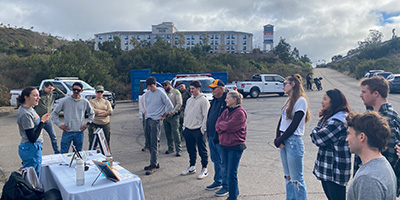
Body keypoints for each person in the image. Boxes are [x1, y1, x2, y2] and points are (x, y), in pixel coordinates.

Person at [358, 76, 400, 195]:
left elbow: (390, 155)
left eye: (364, 92)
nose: (361, 95)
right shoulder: (373, 114)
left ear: (376, 93)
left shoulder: (387, 118)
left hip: (375, 184)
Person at [274, 74, 311, 200]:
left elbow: (295, 124)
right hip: (284, 139)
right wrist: (277, 137)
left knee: (296, 179)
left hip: (293, 141)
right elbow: (282, 119)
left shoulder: (300, 101)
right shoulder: (289, 99)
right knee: (288, 176)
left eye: (285, 83)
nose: (283, 86)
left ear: (293, 84)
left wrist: (280, 138)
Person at [310, 89, 351, 200]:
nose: (322, 102)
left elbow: (318, 138)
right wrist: (318, 130)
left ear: (334, 101)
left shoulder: (338, 120)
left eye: (325, 99)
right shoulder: (330, 117)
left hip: (334, 171)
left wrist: (316, 130)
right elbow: (318, 132)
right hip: (328, 169)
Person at [346, 111, 396, 200]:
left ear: (362, 137)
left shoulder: (368, 178)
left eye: (349, 133)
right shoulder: (382, 163)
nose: (347, 139)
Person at [215, 91, 247, 200]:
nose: (225, 100)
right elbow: (217, 124)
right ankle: (235, 193)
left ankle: (232, 197)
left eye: (227, 98)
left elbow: (230, 127)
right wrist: (223, 126)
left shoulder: (240, 113)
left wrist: (223, 126)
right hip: (224, 145)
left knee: (231, 173)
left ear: (234, 99)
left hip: (235, 147)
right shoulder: (226, 111)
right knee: (226, 170)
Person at [17, 87, 51, 176]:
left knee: (35, 175)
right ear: (26, 97)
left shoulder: (30, 109)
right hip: (31, 148)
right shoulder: (25, 114)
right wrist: (42, 122)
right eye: (35, 95)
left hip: (34, 147)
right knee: (32, 177)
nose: (38, 98)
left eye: (38, 96)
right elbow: (32, 138)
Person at [52, 82, 94, 153]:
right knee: (63, 153)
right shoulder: (65, 101)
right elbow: (54, 113)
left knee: (78, 154)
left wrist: (87, 124)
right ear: (71, 89)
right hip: (67, 132)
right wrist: (59, 125)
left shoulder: (85, 102)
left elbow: (92, 113)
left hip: (79, 132)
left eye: (78, 90)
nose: (76, 91)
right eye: (74, 89)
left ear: (81, 91)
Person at [143, 77, 173, 175]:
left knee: (154, 142)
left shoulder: (160, 93)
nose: (150, 88)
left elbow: (170, 106)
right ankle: (155, 161)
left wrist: (164, 114)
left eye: (152, 86)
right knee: (149, 142)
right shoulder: (147, 94)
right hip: (148, 118)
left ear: (155, 84)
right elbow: (148, 105)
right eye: (149, 87)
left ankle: (153, 164)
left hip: (156, 120)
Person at [181, 80, 210, 179]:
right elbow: (186, 114)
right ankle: (192, 166)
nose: (191, 90)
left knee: (202, 150)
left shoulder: (203, 100)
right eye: (190, 89)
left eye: (193, 89)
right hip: (188, 128)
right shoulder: (189, 100)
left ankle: (204, 168)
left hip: (198, 129)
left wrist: (203, 129)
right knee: (191, 149)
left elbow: (206, 115)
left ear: (198, 89)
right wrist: (184, 126)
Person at [205, 79, 229, 197]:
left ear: (221, 88)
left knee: (224, 162)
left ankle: (226, 186)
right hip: (211, 135)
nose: (212, 90)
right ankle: (218, 181)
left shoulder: (227, 102)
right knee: (216, 160)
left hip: (221, 137)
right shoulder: (214, 101)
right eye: (211, 88)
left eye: (214, 88)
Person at [34, 81, 65, 154]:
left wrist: (56, 89)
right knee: (37, 137)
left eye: (51, 88)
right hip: (38, 119)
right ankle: (37, 152)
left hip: (48, 119)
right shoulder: (39, 94)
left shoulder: (52, 95)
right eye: (49, 88)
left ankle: (57, 151)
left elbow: (63, 95)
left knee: (53, 136)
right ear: (44, 87)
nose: (50, 90)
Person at [88, 85, 113, 149]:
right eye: (98, 92)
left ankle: (107, 155)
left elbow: (110, 111)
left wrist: (98, 113)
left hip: (105, 124)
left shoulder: (106, 102)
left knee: (106, 142)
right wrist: (104, 112)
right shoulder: (92, 101)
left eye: (101, 92)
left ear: (103, 93)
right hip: (95, 124)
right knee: (93, 142)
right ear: (96, 92)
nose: (100, 93)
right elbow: (92, 111)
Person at [162, 80, 183, 156]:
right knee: (168, 133)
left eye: (166, 85)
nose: (165, 87)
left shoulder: (175, 92)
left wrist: (173, 112)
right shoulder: (164, 93)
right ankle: (170, 148)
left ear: (169, 85)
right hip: (166, 116)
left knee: (175, 132)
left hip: (174, 116)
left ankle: (178, 149)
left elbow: (179, 103)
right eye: (164, 86)